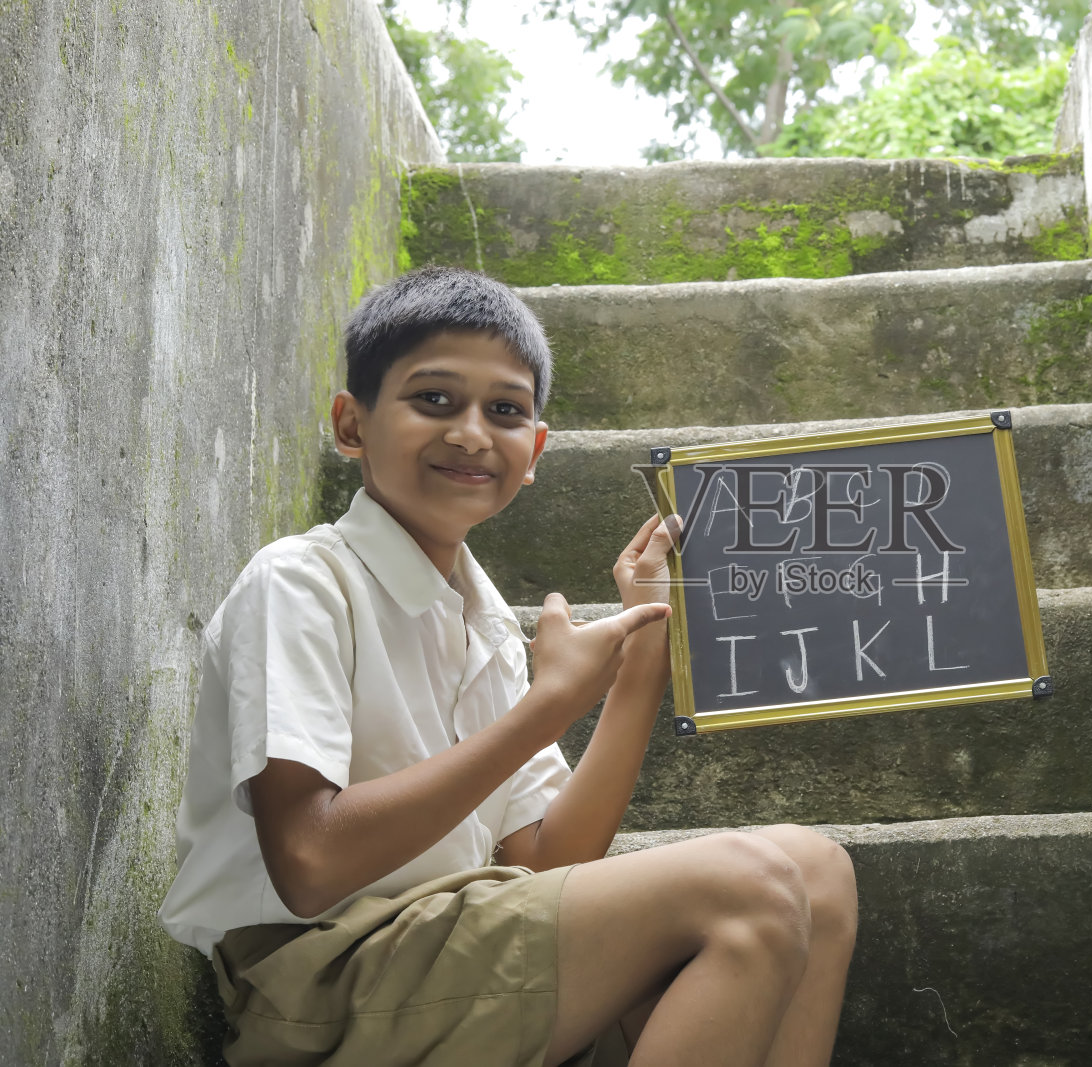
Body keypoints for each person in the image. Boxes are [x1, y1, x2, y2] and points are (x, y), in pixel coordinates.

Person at [158, 265, 858, 1066]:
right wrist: (548, 705)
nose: (470, 433)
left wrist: (643, 660)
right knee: (749, 884)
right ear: (351, 424)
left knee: (817, 869)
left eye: (505, 411)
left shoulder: (484, 622)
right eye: (434, 399)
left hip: (452, 945)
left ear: (535, 452)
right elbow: (310, 864)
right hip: (319, 976)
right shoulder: (303, 581)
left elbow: (548, 860)